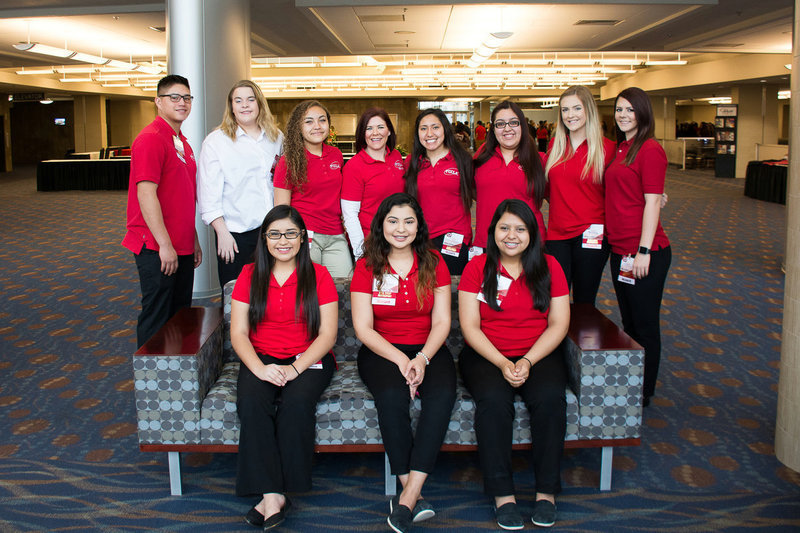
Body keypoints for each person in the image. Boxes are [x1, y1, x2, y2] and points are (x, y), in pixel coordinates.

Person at [458, 199, 570, 530]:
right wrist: (502, 361)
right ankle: (503, 495)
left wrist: (528, 360)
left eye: (520, 229)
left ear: (532, 233)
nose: (511, 235)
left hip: (538, 353)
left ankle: (546, 493)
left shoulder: (550, 266)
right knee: (493, 402)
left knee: (550, 400)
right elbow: (470, 326)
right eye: (504, 228)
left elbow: (559, 323)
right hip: (486, 354)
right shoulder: (477, 267)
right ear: (492, 231)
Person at [350, 192, 456, 533]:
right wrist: (401, 359)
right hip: (381, 349)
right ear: (381, 225)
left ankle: (408, 496)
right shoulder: (367, 265)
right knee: (392, 397)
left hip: (428, 348)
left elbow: (442, 322)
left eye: (409, 221)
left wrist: (421, 359)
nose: (401, 228)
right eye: (393, 221)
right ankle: (414, 494)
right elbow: (363, 328)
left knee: (442, 396)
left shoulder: (434, 262)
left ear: (418, 226)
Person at [231, 205, 338, 530]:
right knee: (251, 403)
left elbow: (328, 335)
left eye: (291, 233)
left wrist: (295, 369)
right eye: (275, 234)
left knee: (296, 404)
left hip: (309, 358)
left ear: (302, 237)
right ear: (264, 239)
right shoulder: (249, 274)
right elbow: (238, 333)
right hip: (261, 357)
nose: (283, 241)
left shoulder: (319, 275)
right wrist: (260, 369)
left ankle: (273, 494)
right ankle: (273, 495)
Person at [122, 74, 202, 348]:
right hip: (156, 245)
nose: (182, 103)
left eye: (187, 97)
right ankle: (151, 373)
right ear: (158, 101)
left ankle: (175, 368)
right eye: (174, 97)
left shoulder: (181, 141)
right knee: (157, 316)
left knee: (179, 315)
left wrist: (192, 237)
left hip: (180, 243)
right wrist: (165, 245)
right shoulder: (151, 139)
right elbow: (146, 194)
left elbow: (182, 195)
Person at [605, 87, 671, 407]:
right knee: (629, 323)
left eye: (630, 109)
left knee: (644, 325)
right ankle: (633, 381)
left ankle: (644, 391)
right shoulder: (622, 148)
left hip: (644, 252)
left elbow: (653, 202)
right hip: (620, 251)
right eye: (619, 109)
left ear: (643, 113)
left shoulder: (650, 148)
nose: (623, 115)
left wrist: (643, 251)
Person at [197, 80, 284, 290]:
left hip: (272, 232)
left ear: (259, 104)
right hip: (235, 235)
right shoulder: (216, 142)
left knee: (272, 292)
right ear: (231, 107)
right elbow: (208, 194)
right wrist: (222, 233)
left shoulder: (276, 137)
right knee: (237, 296)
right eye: (238, 100)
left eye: (250, 99)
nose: (245, 105)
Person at [544, 85, 615, 305]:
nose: (570, 115)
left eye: (577, 108)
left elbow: (623, 184)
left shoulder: (607, 148)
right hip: (557, 234)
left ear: (589, 110)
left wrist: (653, 194)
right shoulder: (555, 146)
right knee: (556, 298)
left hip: (591, 233)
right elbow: (547, 188)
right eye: (565, 110)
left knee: (584, 301)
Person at [273, 100, 353, 277]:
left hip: (336, 234)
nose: (317, 126)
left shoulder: (336, 155)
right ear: (298, 127)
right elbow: (281, 209)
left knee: (344, 285)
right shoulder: (288, 161)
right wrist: (290, 239)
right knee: (308, 289)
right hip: (305, 235)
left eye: (322, 120)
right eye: (309, 121)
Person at [405, 108, 475, 275]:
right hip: (421, 238)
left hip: (454, 238)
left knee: (451, 284)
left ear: (445, 129)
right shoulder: (412, 162)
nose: (429, 133)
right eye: (423, 128)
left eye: (435, 127)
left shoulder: (462, 160)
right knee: (423, 286)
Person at [473, 100, 547, 256]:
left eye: (513, 122)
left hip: (528, 242)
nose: (507, 128)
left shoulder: (538, 159)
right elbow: (472, 191)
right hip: (488, 241)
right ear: (493, 129)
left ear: (522, 126)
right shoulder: (481, 157)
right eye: (500, 124)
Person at [341, 107, 406, 259]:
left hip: (398, 239)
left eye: (380, 127)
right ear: (363, 134)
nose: (375, 133)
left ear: (389, 131)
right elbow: (350, 214)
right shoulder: (354, 166)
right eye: (369, 128)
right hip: (371, 243)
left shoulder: (396, 157)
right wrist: (360, 252)